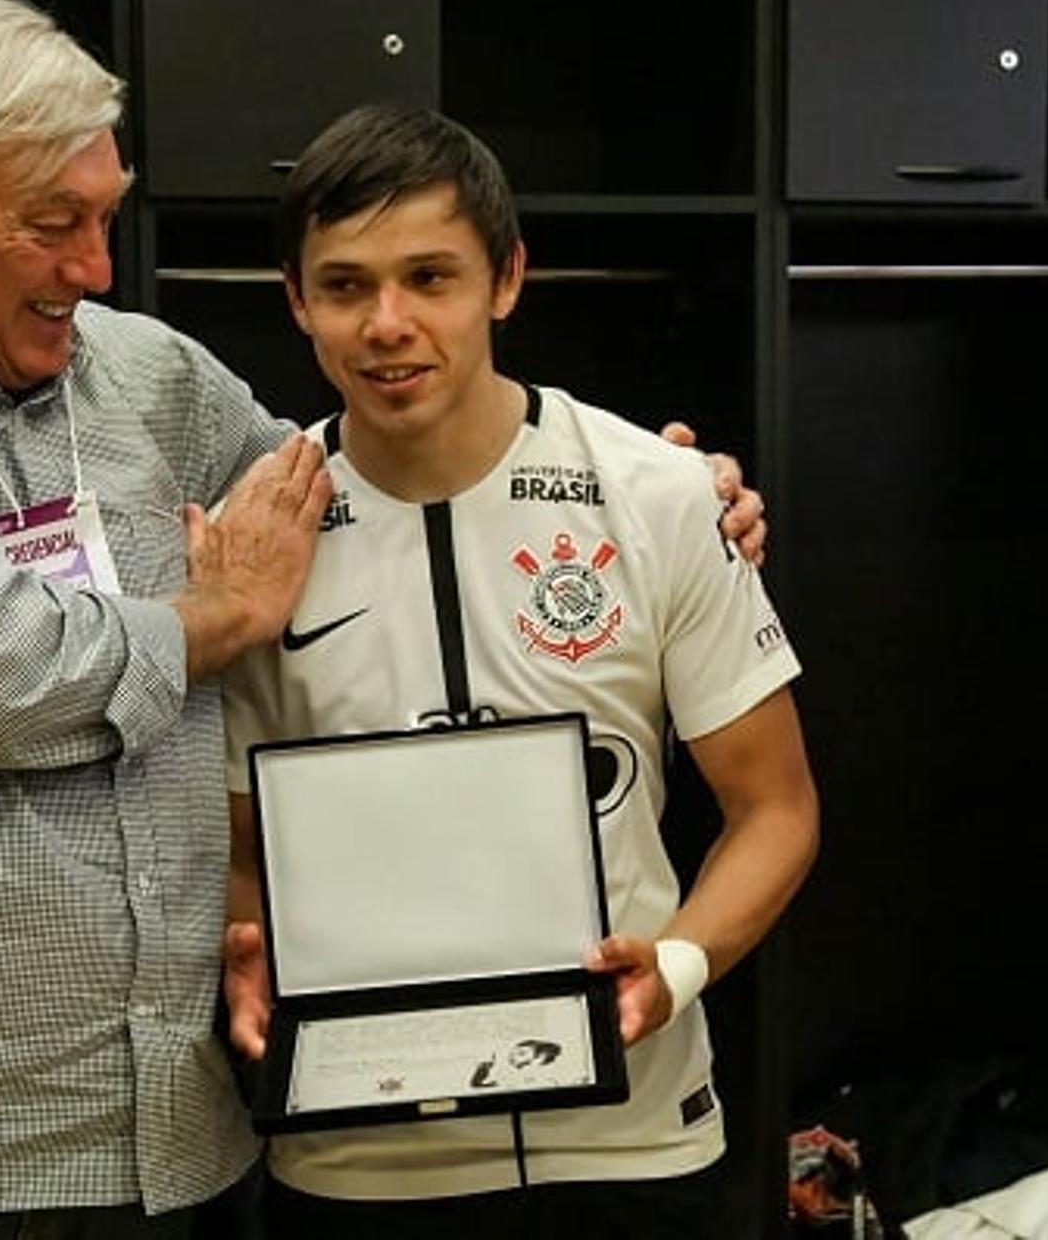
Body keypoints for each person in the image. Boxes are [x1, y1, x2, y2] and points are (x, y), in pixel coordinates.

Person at [0, 0, 767, 1237]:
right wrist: (216, 612)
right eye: (51, 222)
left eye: (105, 216)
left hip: (166, 1144)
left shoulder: (143, 374)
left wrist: (652, 492)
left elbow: (372, 496)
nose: (95, 265)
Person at [220, 104, 821, 1238]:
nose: (388, 324)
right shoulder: (262, 533)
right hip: (360, 1159)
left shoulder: (656, 494)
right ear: (297, 302)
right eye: (345, 287)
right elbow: (240, 847)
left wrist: (678, 963)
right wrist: (239, 950)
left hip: (638, 1144)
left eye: (429, 276)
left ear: (505, 279)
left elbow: (776, 805)